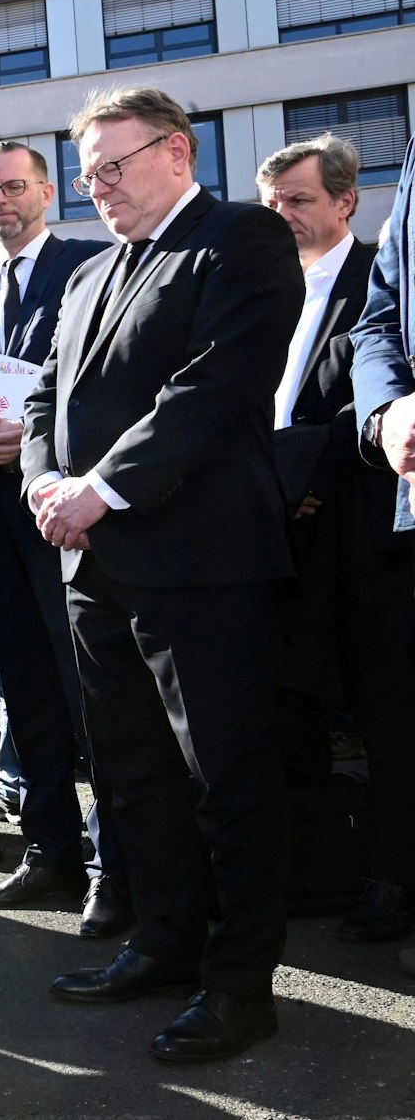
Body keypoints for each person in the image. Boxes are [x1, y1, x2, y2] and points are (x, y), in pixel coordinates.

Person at [22, 86, 303, 1063]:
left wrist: (98, 488)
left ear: (175, 153)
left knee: (223, 774)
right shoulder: (87, 275)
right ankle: (160, 946)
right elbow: (41, 399)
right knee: (133, 774)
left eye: (113, 165)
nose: (96, 187)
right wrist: (42, 482)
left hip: (200, 562)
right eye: (87, 173)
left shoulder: (239, 241)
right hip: (94, 566)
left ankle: (240, 988)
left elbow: (215, 385)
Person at [0, 140, 119, 927]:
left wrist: (42, 450)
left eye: (13, 186)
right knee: (30, 694)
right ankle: (50, 851)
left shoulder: (92, 264)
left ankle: (120, 863)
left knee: (98, 697)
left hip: (70, 518)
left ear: (47, 190)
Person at [333, 132, 415, 946]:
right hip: (392, 518)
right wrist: (387, 409)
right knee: (391, 715)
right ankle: (392, 870)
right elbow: (383, 320)